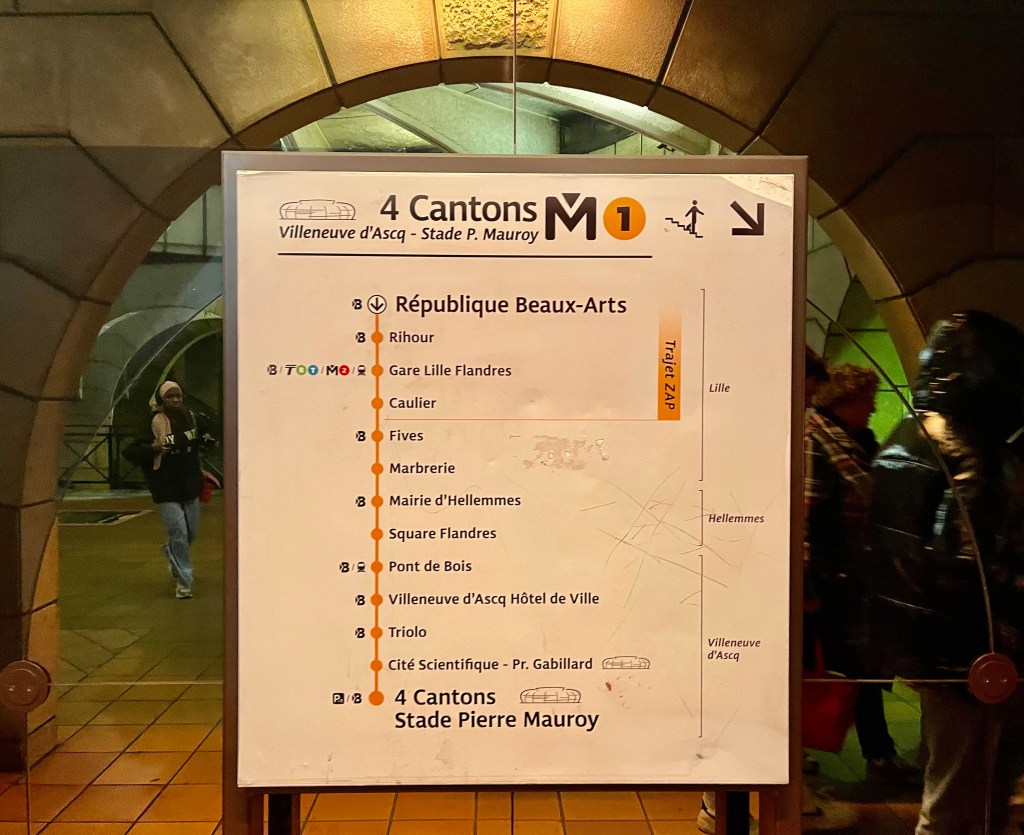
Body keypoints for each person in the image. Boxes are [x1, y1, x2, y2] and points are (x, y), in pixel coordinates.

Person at [866, 311, 1024, 835]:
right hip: (976, 653)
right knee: (968, 798)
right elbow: (966, 561)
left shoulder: (905, 434)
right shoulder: (974, 448)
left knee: (951, 786)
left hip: (921, 642)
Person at [805, 364, 919, 783]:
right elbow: (806, 516)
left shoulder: (857, 441)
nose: (872, 407)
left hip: (856, 577)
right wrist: (808, 583)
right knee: (838, 669)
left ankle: (878, 753)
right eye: (867, 398)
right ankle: (809, 753)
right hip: (832, 578)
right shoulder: (817, 442)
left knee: (864, 667)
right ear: (844, 399)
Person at [146, 380, 207, 599]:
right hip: (166, 487)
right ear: (162, 399)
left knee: (190, 533)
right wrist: (153, 448)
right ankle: (184, 581)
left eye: (178, 396)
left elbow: (200, 441)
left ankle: (172, 552)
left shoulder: (191, 418)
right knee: (179, 533)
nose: (175, 400)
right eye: (170, 397)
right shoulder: (153, 421)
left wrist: (206, 441)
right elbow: (133, 449)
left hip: (190, 484)